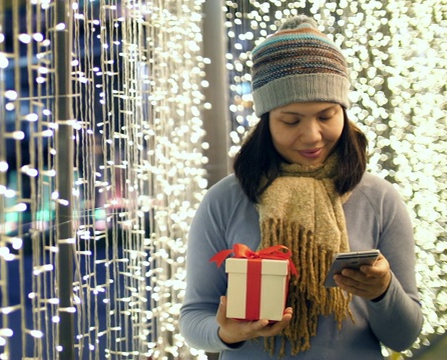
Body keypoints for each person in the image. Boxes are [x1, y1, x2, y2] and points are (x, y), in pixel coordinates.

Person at [179, 15, 423, 359]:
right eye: (290, 120)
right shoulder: (226, 199)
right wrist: (226, 333)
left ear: (344, 111)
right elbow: (193, 319)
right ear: (266, 121)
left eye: (326, 116)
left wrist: (383, 291)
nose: (311, 136)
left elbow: (404, 336)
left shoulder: (378, 198)